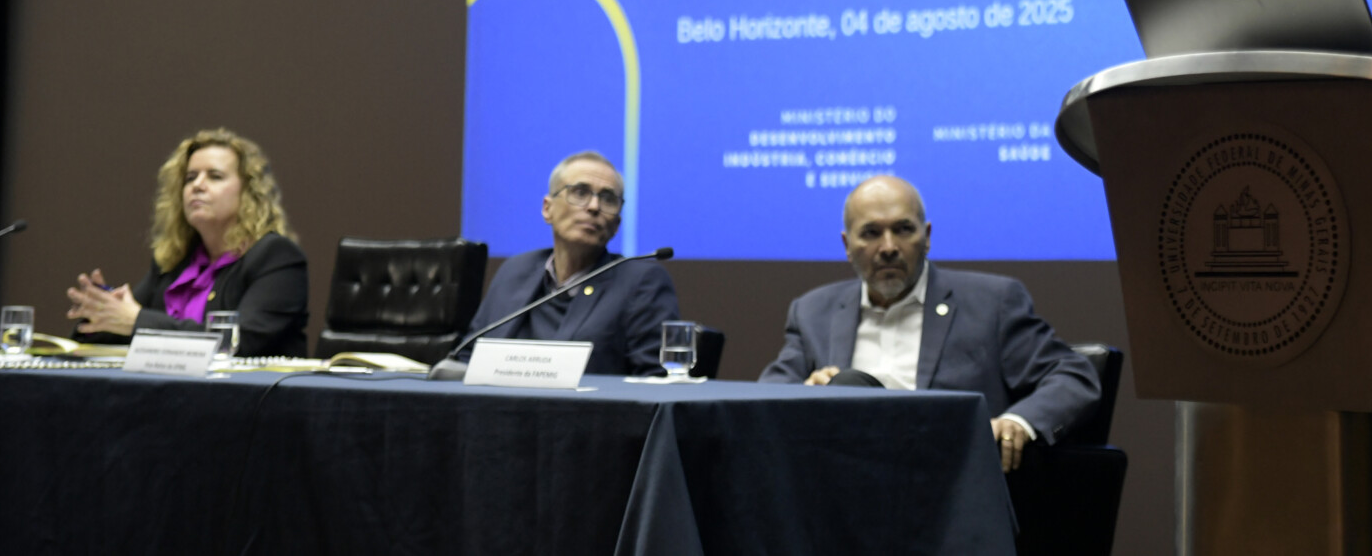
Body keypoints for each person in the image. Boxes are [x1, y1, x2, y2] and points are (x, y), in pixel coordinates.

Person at [760, 175, 1099, 472]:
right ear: (847, 246)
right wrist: (804, 394)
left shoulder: (992, 303)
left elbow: (1073, 375)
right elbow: (764, 397)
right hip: (840, 482)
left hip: (949, 482)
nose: (888, 247)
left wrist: (1018, 423)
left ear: (927, 236)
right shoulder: (813, 311)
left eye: (903, 229)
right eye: (871, 233)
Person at [65, 127, 309, 357]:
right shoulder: (175, 262)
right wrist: (101, 314)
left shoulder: (276, 257)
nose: (197, 186)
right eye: (190, 178)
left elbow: (238, 342)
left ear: (248, 192)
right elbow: (122, 326)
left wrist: (137, 321)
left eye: (215, 176)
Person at [454, 150, 678, 376]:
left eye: (608, 199)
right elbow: (466, 359)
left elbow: (655, 380)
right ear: (547, 208)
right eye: (580, 192)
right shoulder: (515, 271)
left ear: (616, 224)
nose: (594, 206)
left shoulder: (640, 282)